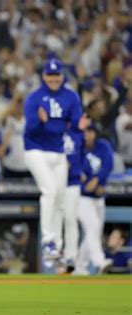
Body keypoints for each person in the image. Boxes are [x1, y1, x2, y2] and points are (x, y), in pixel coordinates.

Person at [23, 58, 88, 260]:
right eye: (50, 75)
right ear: (43, 76)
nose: (53, 78)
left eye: (57, 74)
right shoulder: (34, 98)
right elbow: (30, 130)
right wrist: (41, 122)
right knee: (50, 190)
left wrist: (80, 126)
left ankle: (56, 247)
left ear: (62, 75)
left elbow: (76, 125)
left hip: (58, 151)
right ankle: (47, 241)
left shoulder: (71, 96)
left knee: (59, 198)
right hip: (36, 150)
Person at [75, 125, 114, 275]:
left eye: (90, 131)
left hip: (98, 197)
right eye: (85, 132)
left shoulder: (102, 146)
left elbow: (108, 165)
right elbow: (76, 171)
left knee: (95, 231)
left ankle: (79, 266)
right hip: (82, 197)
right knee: (94, 226)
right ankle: (100, 261)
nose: (88, 135)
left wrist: (97, 181)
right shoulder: (79, 149)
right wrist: (87, 185)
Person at [57, 126, 83, 273]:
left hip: (72, 182)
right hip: (56, 183)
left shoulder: (77, 133)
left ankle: (71, 257)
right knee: (56, 220)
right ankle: (57, 257)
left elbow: (85, 153)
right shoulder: (53, 130)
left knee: (70, 219)